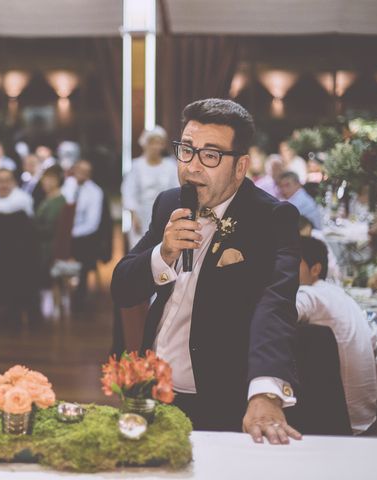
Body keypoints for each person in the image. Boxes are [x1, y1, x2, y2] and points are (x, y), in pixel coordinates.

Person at [111, 98, 302, 444]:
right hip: (150, 392)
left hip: (218, 400)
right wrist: (163, 253)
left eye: (210, 155)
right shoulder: (170, 202)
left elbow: (275, 306)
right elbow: (123, 288)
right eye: (186, 150)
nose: (192, 167)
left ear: (240, 166)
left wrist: (265, 391)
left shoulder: (272, 219)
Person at [296, 236, 377, 434]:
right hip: (366, 416)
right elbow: (373, 338)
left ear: (315, 270)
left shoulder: (310, 294)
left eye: (292, 263)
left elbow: (279, 315)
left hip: (341, 420)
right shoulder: (337, 293)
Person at [122, 126, 179, 248]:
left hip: (165, 216)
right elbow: (129, 192)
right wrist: (134, 215)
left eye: (159, 143)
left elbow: (176, 190)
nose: (156, 147)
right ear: (145, 144)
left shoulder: (171, 166)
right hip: (142, 216)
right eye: (153, 143)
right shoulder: (136, 166)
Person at [63, 159, 104, 308]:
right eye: (78, 170)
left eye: (85, 172)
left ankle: (80, 295)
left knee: (84, 251)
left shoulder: (95, 192)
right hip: (63, 232)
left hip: (83, 235)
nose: (80, 174)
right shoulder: (67, 185)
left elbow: (92, 224)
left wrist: (71, 234)